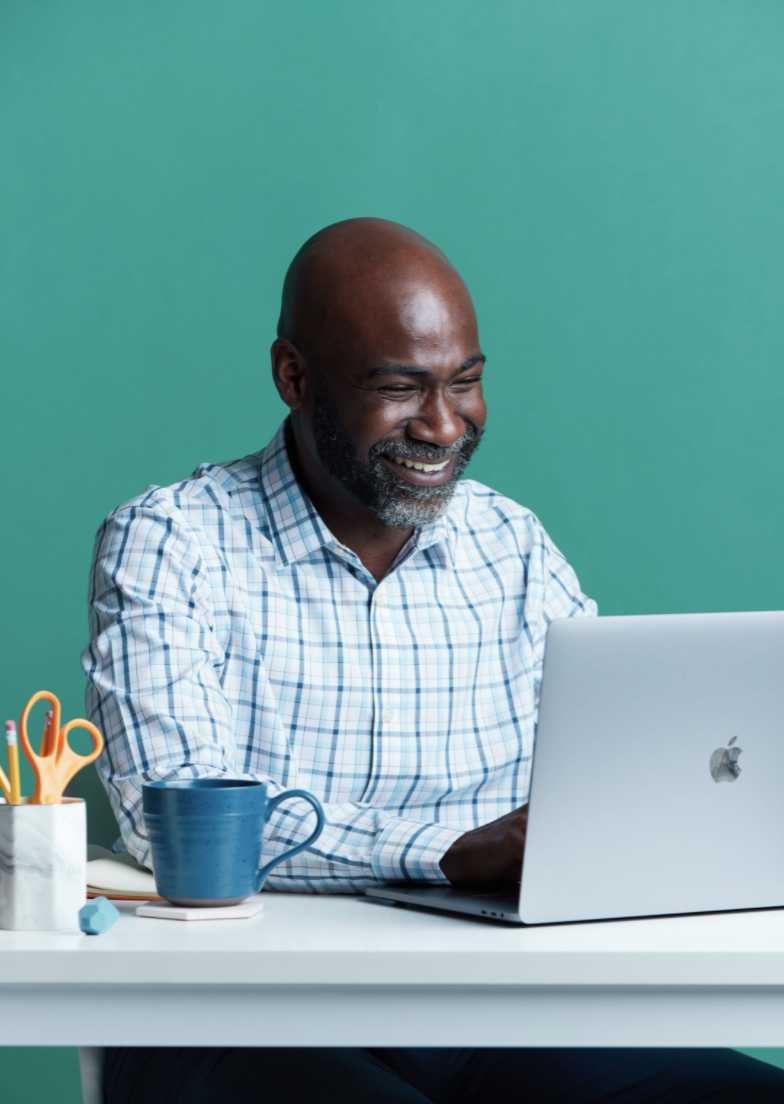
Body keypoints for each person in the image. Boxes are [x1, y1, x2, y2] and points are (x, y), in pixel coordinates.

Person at [84, 218, 784, 1102]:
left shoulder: (510, 543)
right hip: (238, 1013)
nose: (445, 423)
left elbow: (612, 775)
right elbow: (172, 822)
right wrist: (447, 851)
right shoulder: (173, 540)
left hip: (500, 1011)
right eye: (400, 387)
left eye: (468, 382)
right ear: (292, 376)